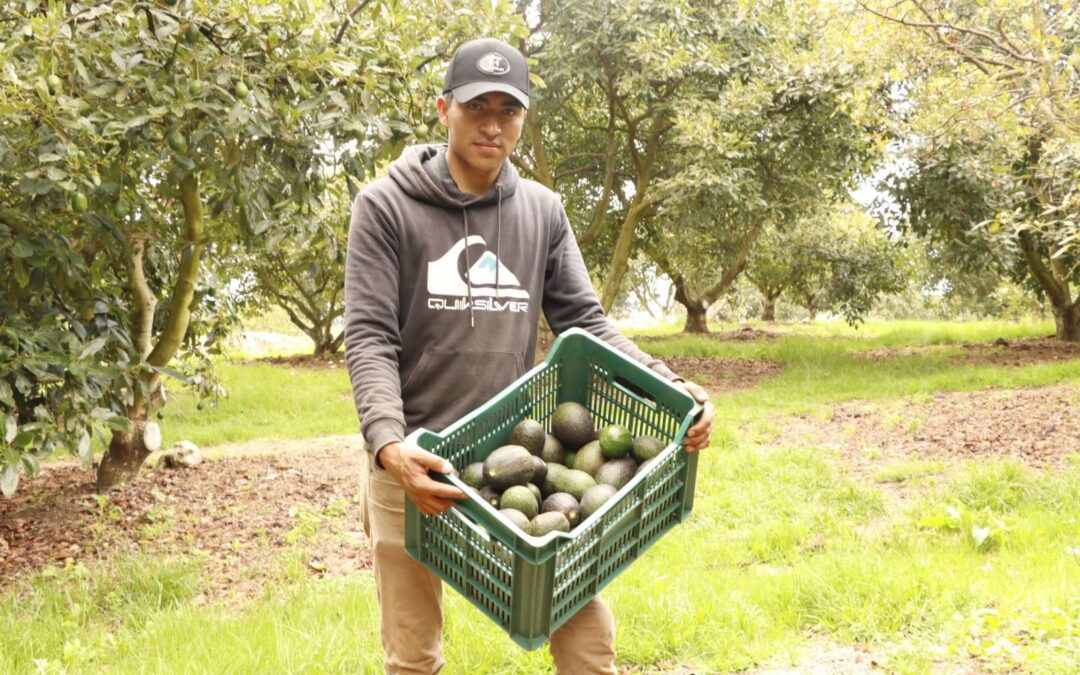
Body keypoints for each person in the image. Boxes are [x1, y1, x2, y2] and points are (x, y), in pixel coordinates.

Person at [344, 37, 714, 675]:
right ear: (444, 109)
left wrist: (671, 386)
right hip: (415, 459)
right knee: (412, 651)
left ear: (523, 117)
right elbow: (371, 336)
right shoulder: (384, 207)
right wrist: (388, 444)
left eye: (508, 111)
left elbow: (584, 320)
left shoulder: (542, 210)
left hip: (519, 454)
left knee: (584, 629)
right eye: (476, 106)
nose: (493, 125)